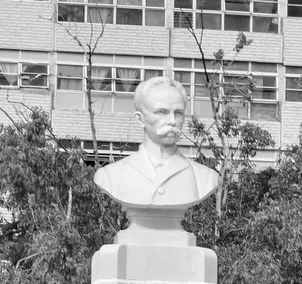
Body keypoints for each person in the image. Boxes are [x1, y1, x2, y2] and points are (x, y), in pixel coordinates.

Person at [94, 77, 219, 208]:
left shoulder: (205, 178)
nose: (172, 121)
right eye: (161, 112)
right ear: (140, 119)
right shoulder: (110, 175)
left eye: (178, 113)